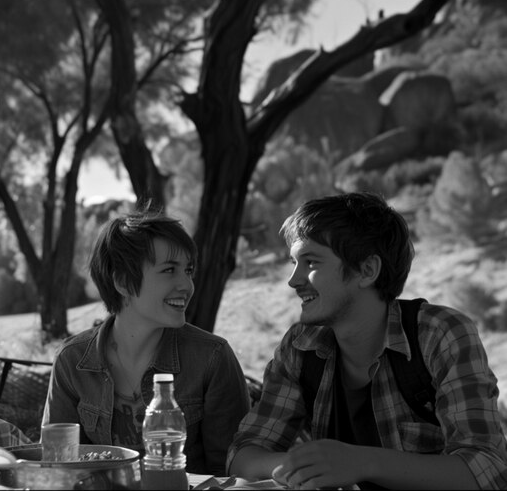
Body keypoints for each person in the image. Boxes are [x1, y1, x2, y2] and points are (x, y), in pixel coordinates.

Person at [227, 191, 507, 490]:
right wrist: (309, 466)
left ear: (367, 270)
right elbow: (243, 456)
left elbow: (487, 468)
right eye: (294, 262)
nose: (293, 280)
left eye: (310, 262)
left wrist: (362, 464)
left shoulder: (439, 334)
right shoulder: (300, 345)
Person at [42, 206, 250, 476]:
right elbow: (57, 468)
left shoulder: (212, 358)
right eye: (169, 270)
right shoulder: (72, 361)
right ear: (123, 282)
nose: (187, 285)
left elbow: (230, 473)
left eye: (188, 270)